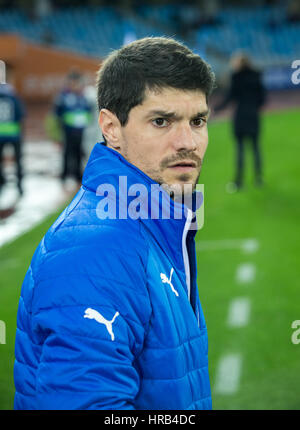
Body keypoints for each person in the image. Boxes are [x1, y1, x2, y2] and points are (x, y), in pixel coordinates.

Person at [14, 37, 216, 410]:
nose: (188, 142)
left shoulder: (157, 221)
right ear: (110, 127)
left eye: (197, 120)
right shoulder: (94, 250)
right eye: (161, 121)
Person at [214, 53, 265, 190]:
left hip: (240, 116)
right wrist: (254, 107)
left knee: (240, 150)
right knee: (255, 149)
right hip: (253, 116)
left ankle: (239, 182)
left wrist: (216, 109)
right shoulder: (256, 75)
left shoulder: (236, 77)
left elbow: (230, 97)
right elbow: (262, 98)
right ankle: (259, 179)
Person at [54, 70, 92, 183]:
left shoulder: (83, 96)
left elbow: (88, 111)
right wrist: (57, 131)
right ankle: (65, 175)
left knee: (79, 152)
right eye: (73, 82)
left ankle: (78, 175)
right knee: (67, 152)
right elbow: (57, 113)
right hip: (67, 130)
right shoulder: (63, 96)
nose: (75, 85)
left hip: (80, 130)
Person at [0, 79, 25, 195]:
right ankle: (19, 185)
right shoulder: (13, 97)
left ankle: (1, 182)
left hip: (1, 134)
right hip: (14, 134)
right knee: (18, 160)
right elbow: (21, 115)